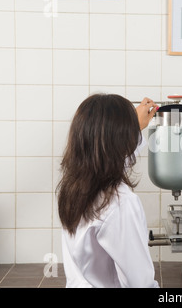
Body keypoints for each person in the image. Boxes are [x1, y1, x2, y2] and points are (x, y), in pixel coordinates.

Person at [57, 94, 159, 288]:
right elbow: (140, 283)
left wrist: (133, 128)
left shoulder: (74, 187)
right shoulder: (120, 203)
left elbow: (109, 161)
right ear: (120, 141)